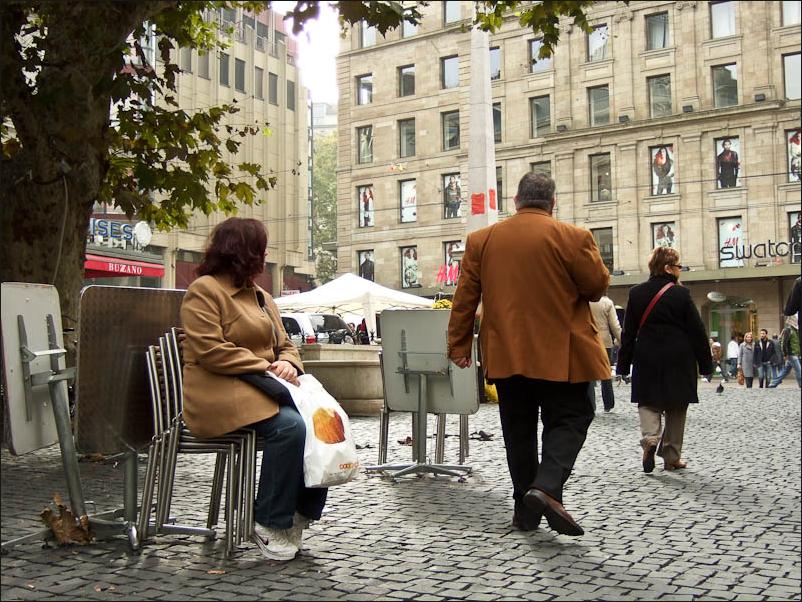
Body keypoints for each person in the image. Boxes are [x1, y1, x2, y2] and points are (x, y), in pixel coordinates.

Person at [447, 172, 610, 537]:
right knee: (572, 417)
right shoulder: (573, 237)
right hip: (563, 354)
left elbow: (465, 299)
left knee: (518, 431)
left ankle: (525, 512)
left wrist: (459, 345)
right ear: (553, 203)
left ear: (516, 201)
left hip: (507, 353)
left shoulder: (482, 240)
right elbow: (596, 287)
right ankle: (547, 487)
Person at [180, 217, 327, 562]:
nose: (265, 256)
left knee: (319, 423)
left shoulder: (262, 297)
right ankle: (269, 521)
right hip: (218, 390)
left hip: (262, 388)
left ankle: (299, 512)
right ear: (243, 251)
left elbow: (286, 344)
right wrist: (266, 366)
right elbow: (211, 350)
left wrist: (288, 363)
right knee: (290, 427)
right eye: (261, 249)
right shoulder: (204, 290)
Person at [616, 247, 712, 474]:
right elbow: (697, 330)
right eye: (678, 266)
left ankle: (650, 438)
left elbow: (628, 333)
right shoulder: (681, 294)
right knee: (677, 406)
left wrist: (623, 364)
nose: (680, 270)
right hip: (679, 356)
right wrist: (705, 363)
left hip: (646, 355)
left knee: (647, 401)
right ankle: (671, 456)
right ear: (668, 268)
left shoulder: (636, 293)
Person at [589, 293, 622, 412]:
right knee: (605, 373)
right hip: (604, 341)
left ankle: (590, 404)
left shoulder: (585, 301)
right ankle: (608, 404)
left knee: (588, 374)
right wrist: (620, 340)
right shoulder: (607, 303)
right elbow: (615, 325)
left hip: (587, 339)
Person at [769, 315, 801, 388]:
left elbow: (796, 343)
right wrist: (785, 354)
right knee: (799, 370)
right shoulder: (788, 330)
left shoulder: (795, 330)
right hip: (791, 354)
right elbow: (784, 343)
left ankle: (773, 383)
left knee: (785, 371)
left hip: (795, 353)